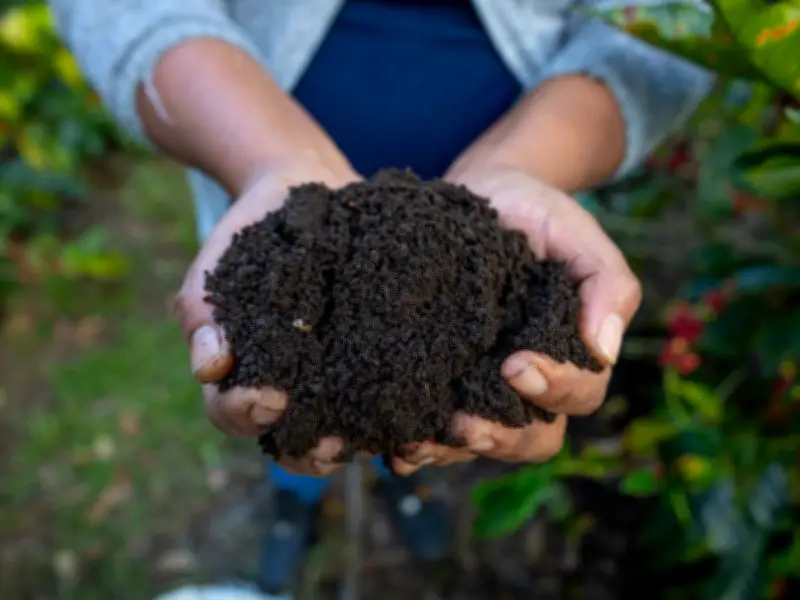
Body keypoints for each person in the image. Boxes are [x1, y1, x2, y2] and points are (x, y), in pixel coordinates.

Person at [50, 0, 713, 596]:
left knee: (421, 426)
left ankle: (407, 481)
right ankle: (296, 501)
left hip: (517, 182)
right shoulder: (285, 238)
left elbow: (670, 21)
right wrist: (266, 155)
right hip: (268, 178)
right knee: (278, 400)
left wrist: (531, 161)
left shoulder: (500, 254)